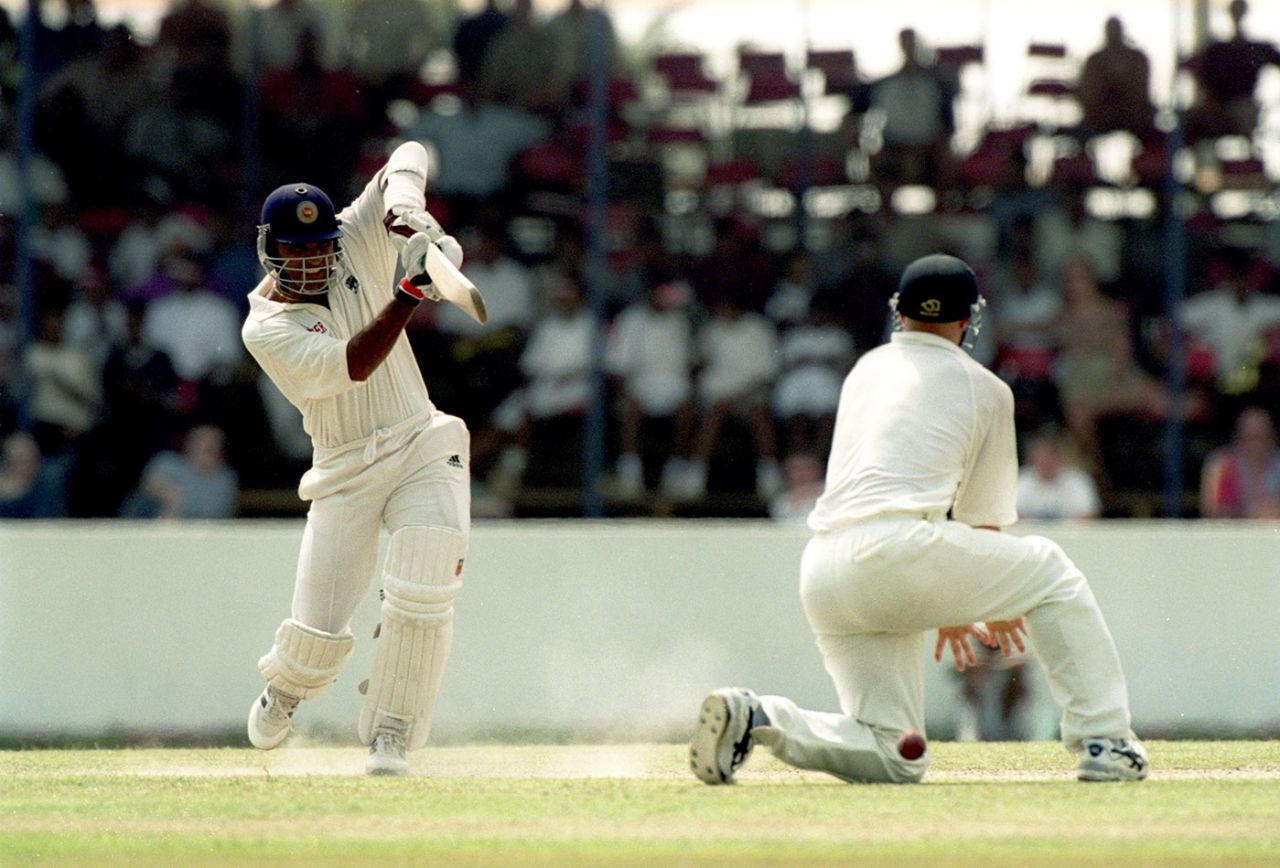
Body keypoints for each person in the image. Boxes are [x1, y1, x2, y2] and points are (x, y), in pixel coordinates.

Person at [690, 254, 1148, 786]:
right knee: (1051, 571)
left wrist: (953, 594)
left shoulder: (864, 371)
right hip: (902, 555)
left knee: (895, 756)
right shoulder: (987, 389)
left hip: (824, 569)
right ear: (967, 321)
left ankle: (760, 718)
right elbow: (982, 521)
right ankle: (1107, 740)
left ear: (898, 314)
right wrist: (984, 600)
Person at [240, 141, 476, 776]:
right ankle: (286, 689)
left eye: (321, 249)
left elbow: (409, 152)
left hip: (421, 439)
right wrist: (407, 292)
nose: (315, 262)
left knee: (424, 587)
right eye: (298, 251)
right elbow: (353, 363)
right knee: (317, 640)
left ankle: (391, 734)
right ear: (271, 250)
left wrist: (408, 213)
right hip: (344, 470)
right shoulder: (265, 328)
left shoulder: (355, 235)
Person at [119, 424, 238, 519]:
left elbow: (216, 514)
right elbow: (148, 484)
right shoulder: (167, 461)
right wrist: (170, 496)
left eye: (213, 443)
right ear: (189, 444)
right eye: (201, 441)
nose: (208, 446)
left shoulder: (226, 477)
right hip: (149, 527)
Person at [1200, 406, 1280, 519]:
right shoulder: (1221, 464)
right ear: (1237, 436)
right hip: (1233, 534)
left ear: (1273, 435)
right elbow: (1210, 510)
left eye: (1261, 436)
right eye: (1249, 436)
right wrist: (1249, 514)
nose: (1255, 443)